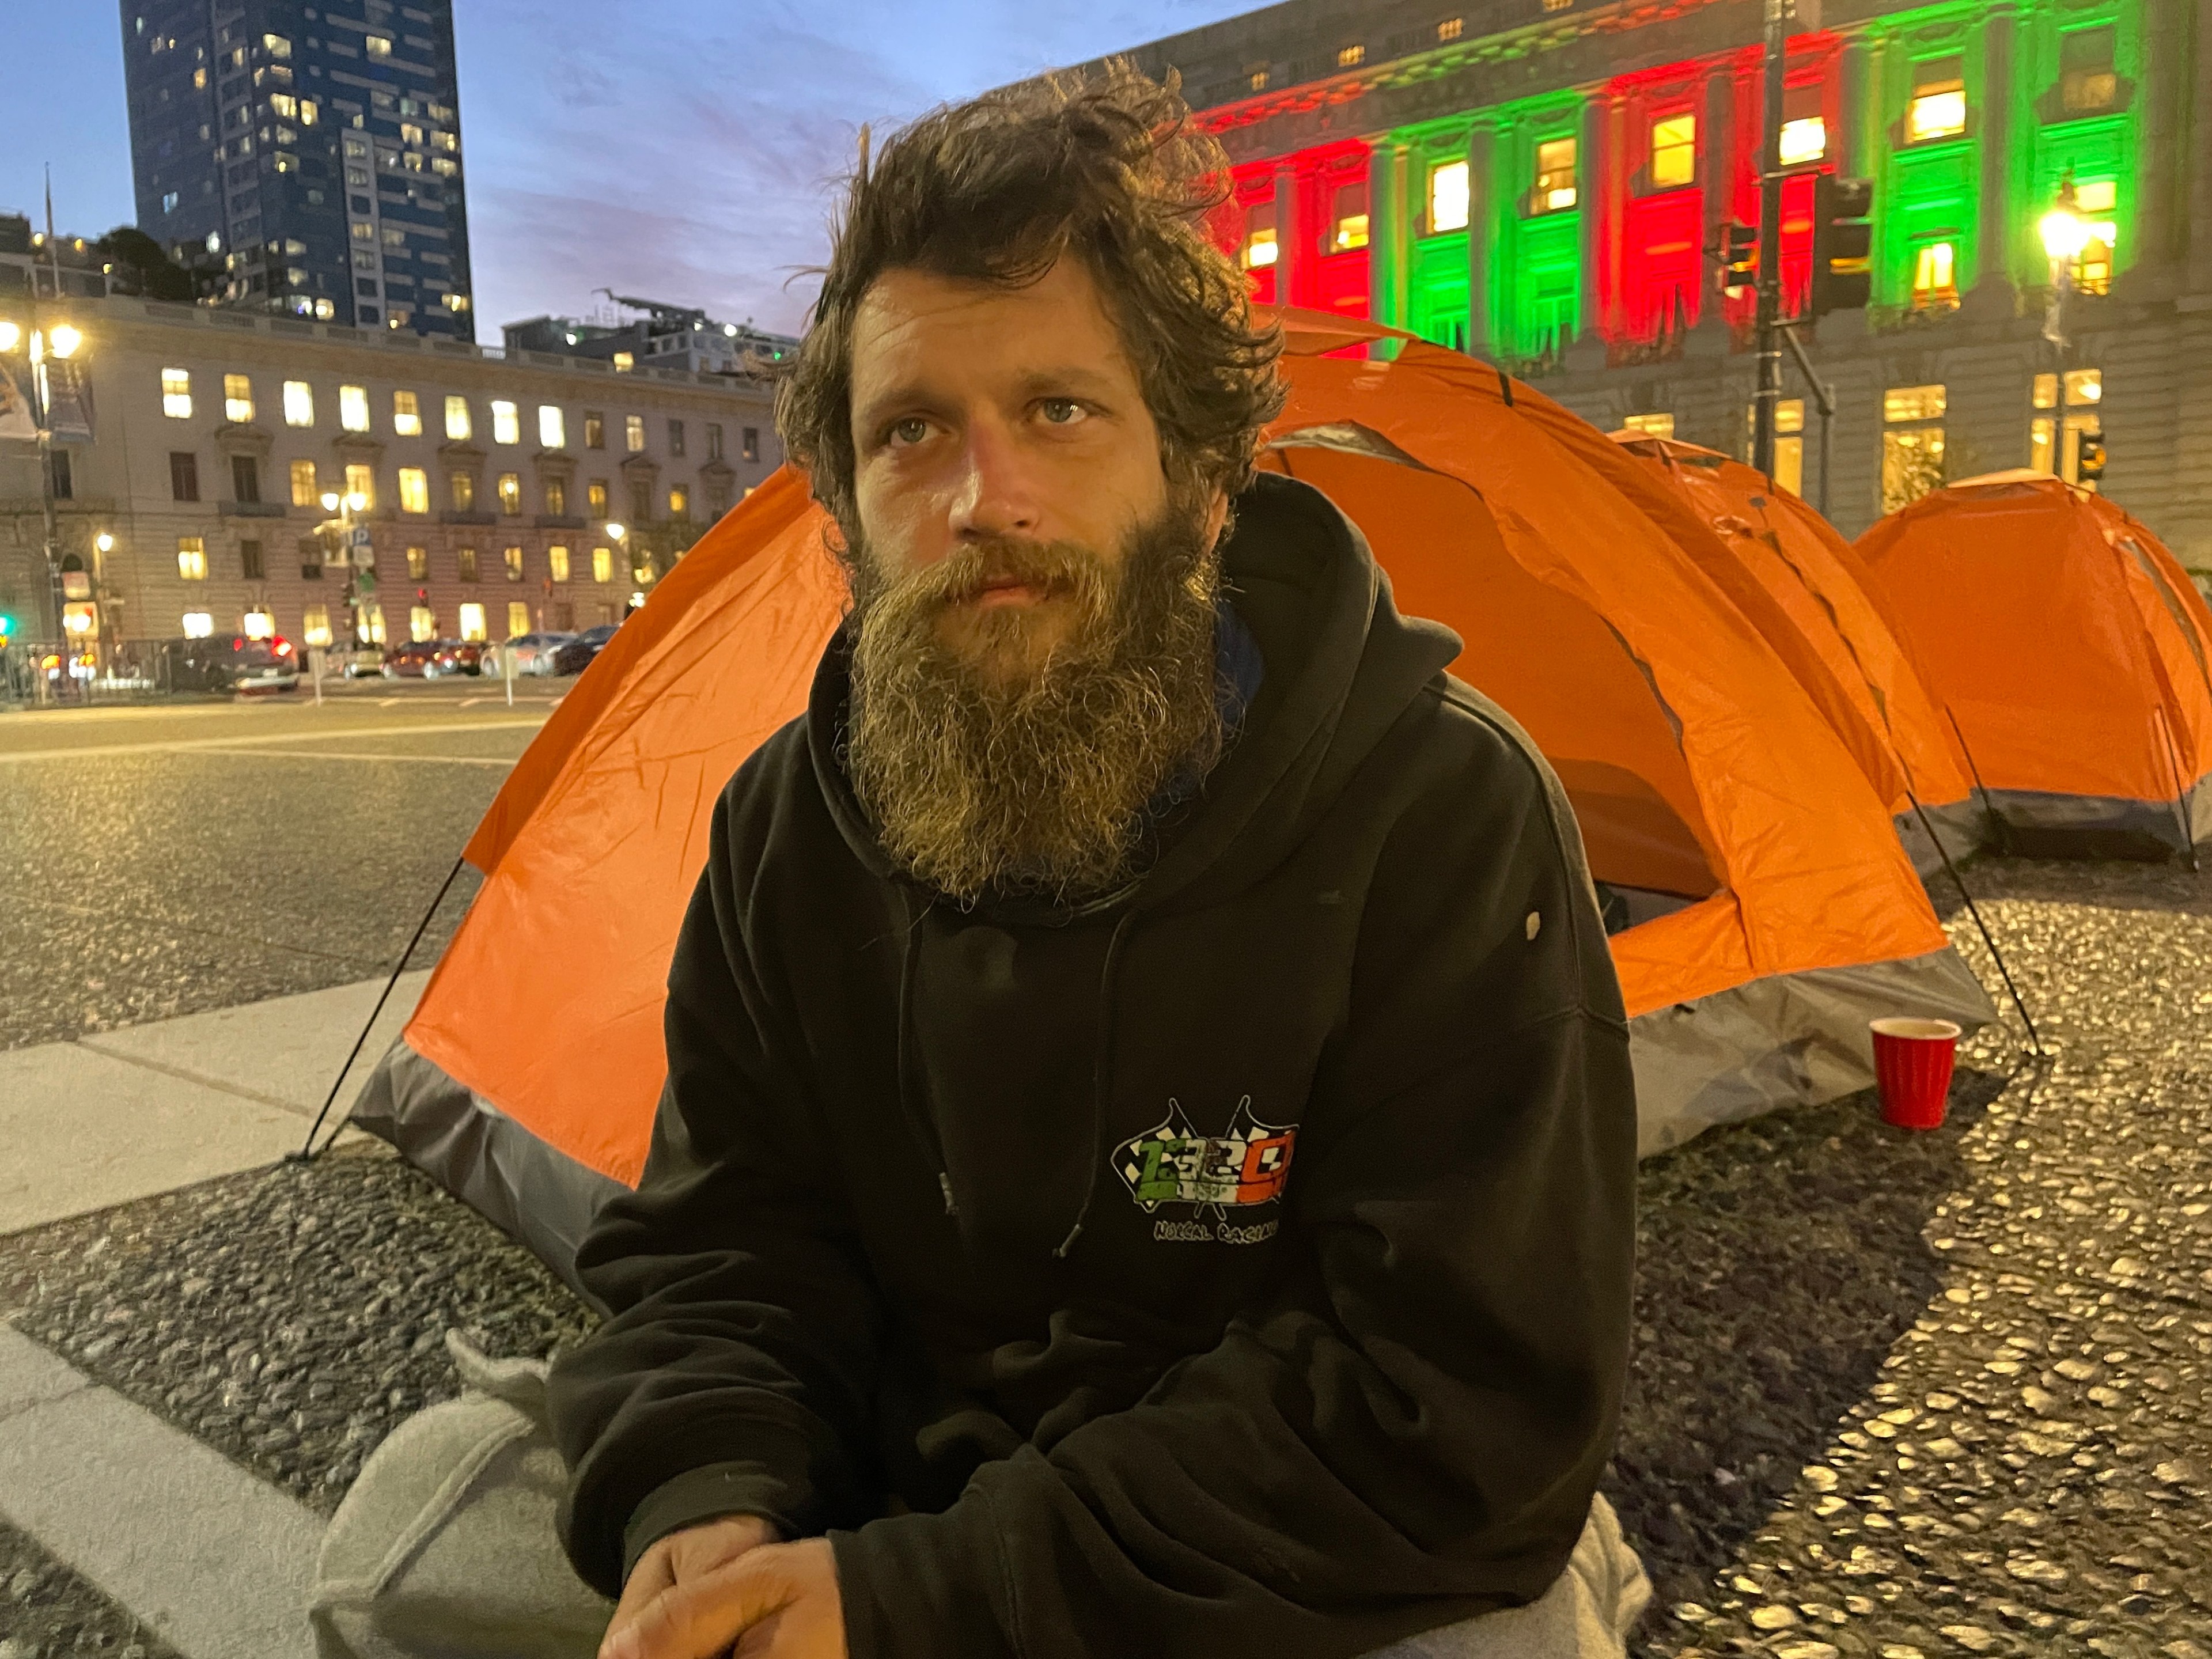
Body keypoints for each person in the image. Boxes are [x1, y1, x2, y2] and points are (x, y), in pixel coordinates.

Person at [307, 63, 1644, 1659]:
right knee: (407, 1563)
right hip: (892, 1473)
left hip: (1246, 1541)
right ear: (851, 512)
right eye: (911, 433)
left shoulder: (1442, 814)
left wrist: (924, 1607)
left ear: (1207, 484)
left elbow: (1452, 1410)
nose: (980, 495)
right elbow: (729, 1238)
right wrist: (707, 1494)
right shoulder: (787, 826)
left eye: (1060, 413)